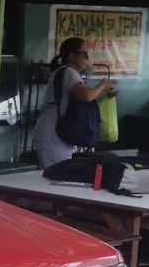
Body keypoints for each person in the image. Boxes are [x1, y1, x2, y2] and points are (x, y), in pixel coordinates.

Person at [32, 37, 114, 169]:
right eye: (85, 54)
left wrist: (102, 94)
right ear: (72, 56)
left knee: (58, 176)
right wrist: (102, 86)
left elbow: (83, 101)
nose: (88, 59)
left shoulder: (67, 73)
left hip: (57, 135)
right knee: (56, 177)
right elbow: (86, 96)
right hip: (53, 136)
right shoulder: (68, 71)